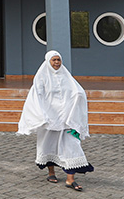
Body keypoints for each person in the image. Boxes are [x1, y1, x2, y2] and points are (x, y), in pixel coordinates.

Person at [17, 50, 94, 191]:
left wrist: (78, 97)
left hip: (66, 120)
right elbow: (36, 97)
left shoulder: (66, 76)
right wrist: (42, 116)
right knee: (48, 145)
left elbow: (77, 90)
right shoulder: (41, 77)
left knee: (72, 146)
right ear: (48, 61)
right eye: (54, 60)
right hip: (49, 120)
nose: (57, 63)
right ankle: (51, 172)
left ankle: (70, 179)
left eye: (59, 60)